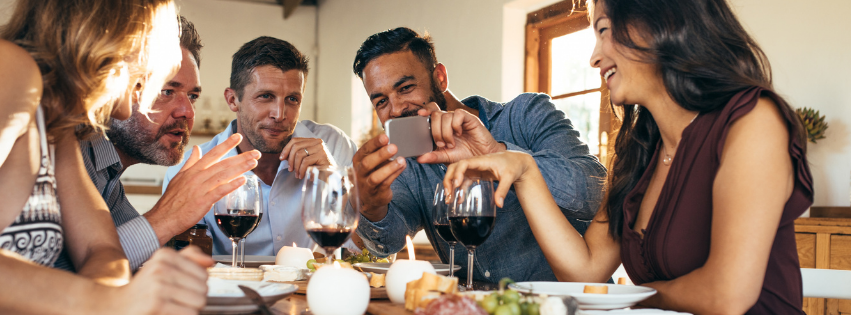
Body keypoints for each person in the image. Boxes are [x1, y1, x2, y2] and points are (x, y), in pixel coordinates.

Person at [442, 0, 812, 313]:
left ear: (658, 22)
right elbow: (585, 270)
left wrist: (627, 300)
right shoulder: (640, 153)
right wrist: (524, 170)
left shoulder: (753, 121)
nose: (594, 57)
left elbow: (727, 294)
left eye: (603, 31)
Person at [0, 0, 252, 313]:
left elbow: (102, 250)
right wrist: (104, 301)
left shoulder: (58, 128)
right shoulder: (11, 69)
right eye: (163, 80)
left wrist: (113, 302)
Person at [352, 27, 607, 282]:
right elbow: (388, 243)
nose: (395, 110)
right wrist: (371, 206)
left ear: (440, 77)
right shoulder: (408, 162)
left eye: (406, 88)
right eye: (381, 102)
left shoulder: (527, 113)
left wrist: (498, 152)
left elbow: (597, 192)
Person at [50, 16, 257, 272]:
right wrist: (169, 214)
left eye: (192, 96)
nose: (187, 112)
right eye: (166, 91)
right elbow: (67, 275)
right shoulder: (64, 152)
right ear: (115, 84)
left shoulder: (110, 182)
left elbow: (114, 256)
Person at [164, 36, 358, 256]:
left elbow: (360, 250)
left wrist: (335, 180)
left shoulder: (334, 145)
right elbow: (184, 264)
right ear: (232, 100)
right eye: (266, 96)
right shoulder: (190, 170)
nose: (280, 114)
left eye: (292, 99)